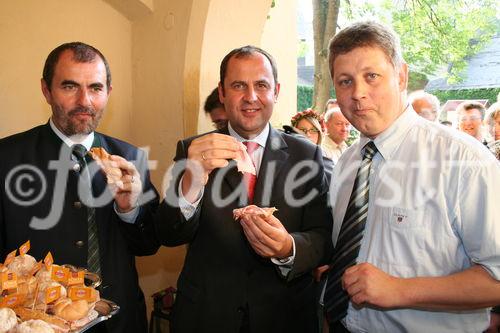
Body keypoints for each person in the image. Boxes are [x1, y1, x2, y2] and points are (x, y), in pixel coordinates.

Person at [322, 21, 500, 333]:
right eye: (345, 81)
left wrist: (400, 290)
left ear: (401, 76)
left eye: (371, 76)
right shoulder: (347, 162)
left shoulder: (464, 162)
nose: (358, 93)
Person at [154, 45, 332, 333]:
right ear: (222, 93)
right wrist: (192, 180)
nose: (251, 97)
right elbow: (168, 233)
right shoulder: (193, 149)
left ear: (276, 90)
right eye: (238, 86)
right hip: (207, 316)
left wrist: (288, 248)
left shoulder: (306, 155)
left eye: (261, 85)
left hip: (284, 316)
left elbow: (323, 236)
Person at [0, 42, 159, 332]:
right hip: (36, 324)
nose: (85, 100)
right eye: (70, 87)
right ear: (46, 90)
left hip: (121, 323)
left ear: (108, 92)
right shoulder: (6, 158)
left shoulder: (133, 158)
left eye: (96, 88)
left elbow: (148, 245)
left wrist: (130, 209)